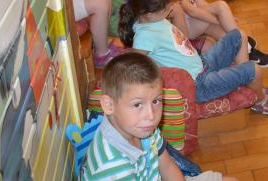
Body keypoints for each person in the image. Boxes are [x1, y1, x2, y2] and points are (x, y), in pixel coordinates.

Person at [118, 0, 268, 116]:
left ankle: (244, 81)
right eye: (167, 8)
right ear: (150, 13)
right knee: (254, 69)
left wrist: (174, 7)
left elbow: (183, 37)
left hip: (202, 65)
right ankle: (260, 101)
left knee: (237, 35)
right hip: (199, 85)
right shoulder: (145, 35)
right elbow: (135, 64)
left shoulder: (153, 18)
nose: (170, 9)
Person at [82, 52, 236, 180]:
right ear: (109, 105)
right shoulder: (112, 168)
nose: (151, 115)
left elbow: (167, 165)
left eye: (156, 101)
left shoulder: (141, 128)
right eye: (137, 105)